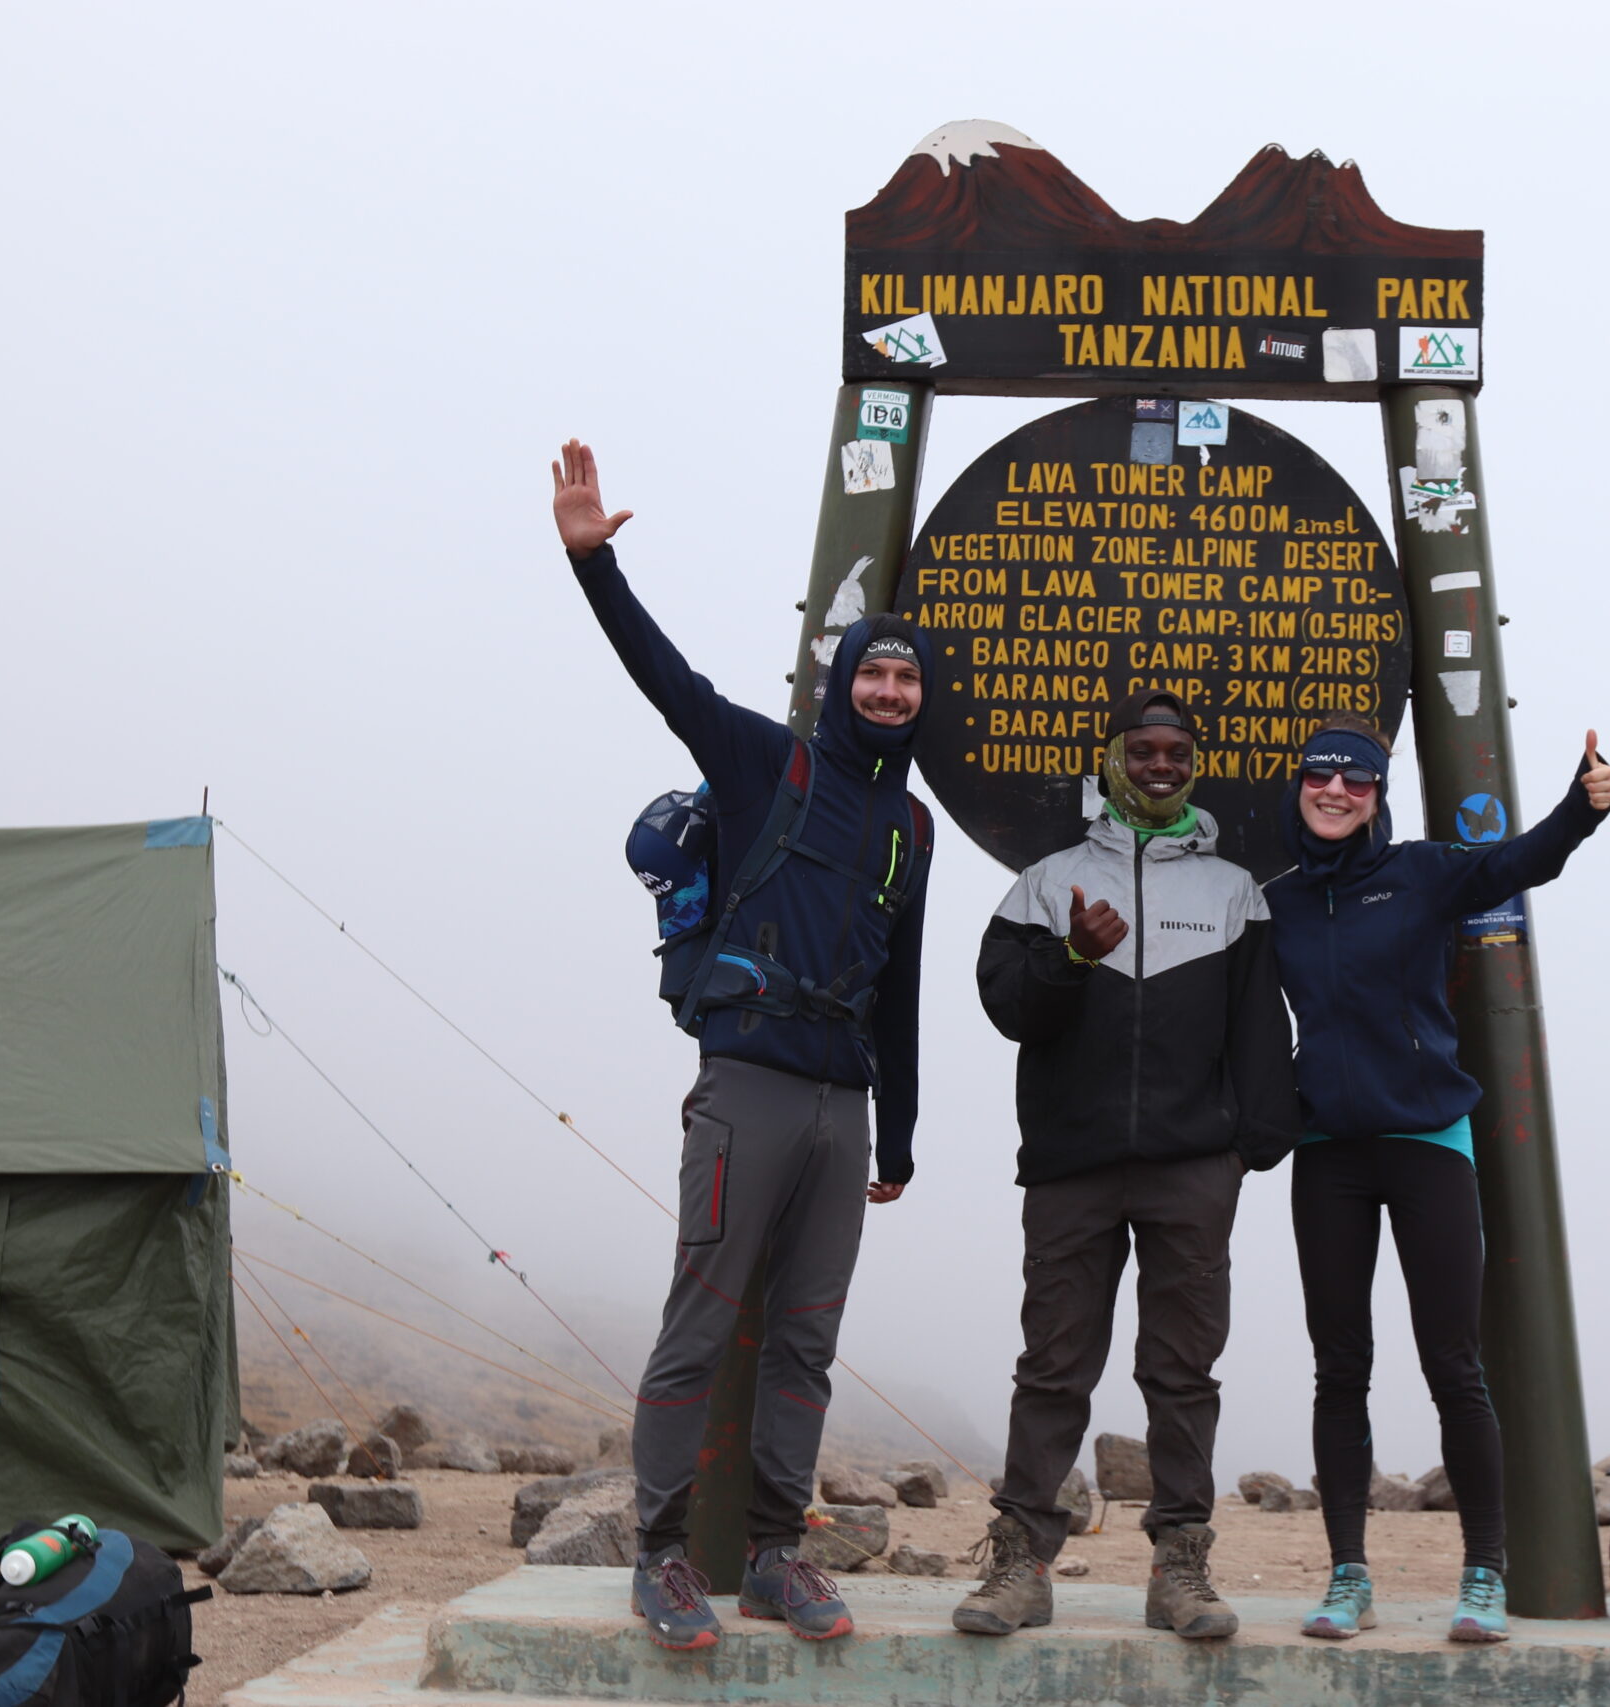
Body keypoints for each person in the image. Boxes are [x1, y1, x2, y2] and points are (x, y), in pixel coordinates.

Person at [551, 440, 931, 1651]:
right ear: (843, 684)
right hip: (749, 1085)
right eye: (872, 675)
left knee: (807, 1339)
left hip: (843, 1105)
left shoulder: (910, 827)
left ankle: (775, 1554)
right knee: (704, 1316)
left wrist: (902, 1131)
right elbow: (665, 681)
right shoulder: (769, 761)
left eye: (905, 683)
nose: (885, 693)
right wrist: (593, 566)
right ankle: (661, 1553)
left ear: (922, 701)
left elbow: (901, 987)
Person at [1262, 712, 1610, 1644]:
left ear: (1378, 794)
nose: (1336, 791)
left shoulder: (1420, 871)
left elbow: (1518, 863)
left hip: (1430, 1142)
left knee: (1453, 1365)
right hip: (1328, 1153)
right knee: (1340, 1368)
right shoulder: (1283, 901)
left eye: (1358, 781)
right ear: (1299, 785)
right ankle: (1349, 1576)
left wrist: (1581, 809)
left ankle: (1485, 1575)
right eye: (1321, 777)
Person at [952, 689, 1300, 1643]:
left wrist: (1246, 1146)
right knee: (1053, 1365)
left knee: (1182, 1370)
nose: (1159, 764)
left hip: (1194, 1166)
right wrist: (1069, 953)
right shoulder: (1047, 879)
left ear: (1194, 763)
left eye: (1174, 752)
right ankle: (1021, 1563)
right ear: (1111, 760)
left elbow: (1259, 1031)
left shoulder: (1234, 889)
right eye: (1141, 750)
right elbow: (1009, 1009)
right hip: (1072, 1162)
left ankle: (1179, 1566)